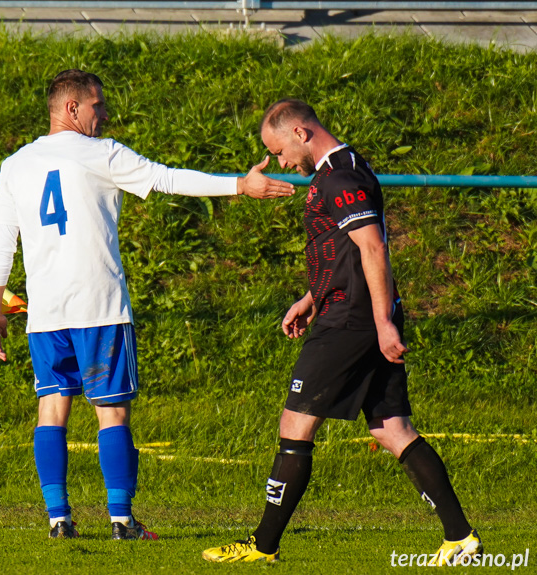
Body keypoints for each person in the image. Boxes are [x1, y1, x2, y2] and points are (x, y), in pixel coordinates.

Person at [0, 69, 295, 540]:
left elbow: (2, 242)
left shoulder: (15, 165)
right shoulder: (101, 153)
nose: (105, 113)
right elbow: (168, 179)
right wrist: (239, 185)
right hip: (100, 307)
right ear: (72, 109)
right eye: (97, 105)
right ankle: (121, 519)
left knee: (52, 406)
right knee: (112, 411)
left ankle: (58, 519)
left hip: (46, 313)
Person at [202, 99, 482, 565]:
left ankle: (262, 545)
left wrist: (380, 322)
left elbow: (372, 249)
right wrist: (312, 298)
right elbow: (344, 251)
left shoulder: (340, 175)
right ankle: (460, 536)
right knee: (392, 428)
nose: (280, 162)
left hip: (352, 320)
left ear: (302, 133)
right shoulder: (340, 170)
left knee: (295, 423)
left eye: (279, 150)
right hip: (348, 310)